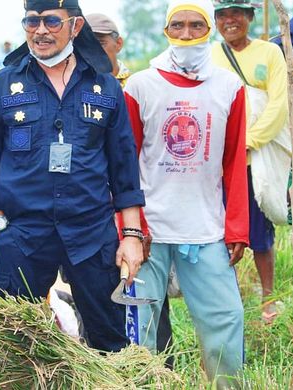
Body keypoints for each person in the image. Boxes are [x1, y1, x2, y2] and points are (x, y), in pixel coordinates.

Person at [0, 0, 145, 353]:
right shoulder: (4, 85)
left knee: (109, 340)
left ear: (75, 27)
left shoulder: (105, 87)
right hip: (23, 233)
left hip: (91, 232)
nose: (41, 30)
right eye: (31, 21)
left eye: (51, 21)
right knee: (13, 343)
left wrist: (132, 235)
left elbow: (124, 166)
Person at [124, 0, 248, 385]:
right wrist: (131, 228)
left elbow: (234, 162)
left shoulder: (228, 87)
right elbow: (125, 164)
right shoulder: (141, 85)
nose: (187, 34)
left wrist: (237, 228)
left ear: (209, 30)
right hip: (151, 231)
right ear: (166, 31)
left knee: (226, 319)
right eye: (177, 26)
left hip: (205, 226)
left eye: (197, 25)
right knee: (140, 331)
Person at [87, 11, 175, 361]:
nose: (92, 51)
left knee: (150, 301)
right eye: (85, 44)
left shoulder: (137, 87)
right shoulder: (75, 89)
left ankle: (157, 370)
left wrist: (138, 225)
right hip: (93, 213)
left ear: (117, 43)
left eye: (101, 43)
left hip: (139, 210)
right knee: (97, 301)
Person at [211, 0, 288, 323]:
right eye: (223, 15)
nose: (230, 21)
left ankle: (267, 299)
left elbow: (278, 104)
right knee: (217, 229)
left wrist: (249, 143)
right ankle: (225, 298)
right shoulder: (209, 55)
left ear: (251, 17)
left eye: (237, 14)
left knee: (260, 232)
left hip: (255, 156)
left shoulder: (270, 53)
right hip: (218, 159)